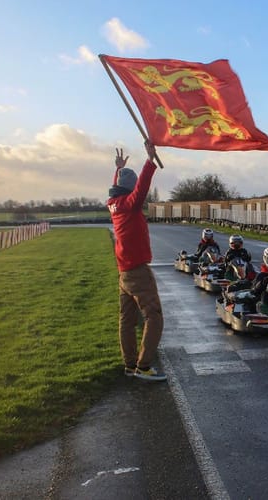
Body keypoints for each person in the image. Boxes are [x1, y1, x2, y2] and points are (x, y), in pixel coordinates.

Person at [107, 141, 166, 382]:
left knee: (127, 321)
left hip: (123, 273)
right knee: (155, 317)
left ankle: (130, 365)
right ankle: (143, 366)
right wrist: (149, 161)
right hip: (138, 271)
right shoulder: (130, 205)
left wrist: (119, 170)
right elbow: (140, 190)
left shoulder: (113, 203)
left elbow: (120, 188)